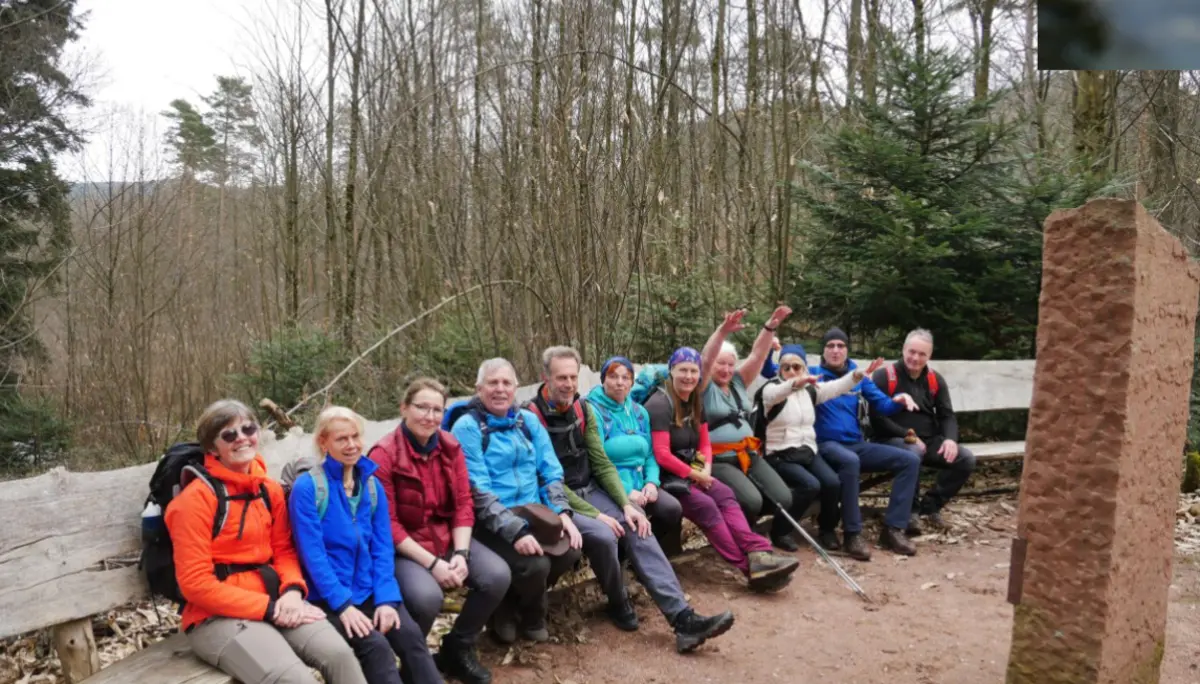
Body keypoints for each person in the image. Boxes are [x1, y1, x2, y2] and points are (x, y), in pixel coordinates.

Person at [530, 347, 735, 653]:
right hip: (555, 497)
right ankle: (617, 599)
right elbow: (547, 479)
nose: (569, 384)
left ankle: (682, 618)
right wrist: (596, 514)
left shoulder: (582, 409)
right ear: (546, 377)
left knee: (638, 524)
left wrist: (627, 505)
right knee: (605, 535)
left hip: (591, 488)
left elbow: (601, 463)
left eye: (573, 377)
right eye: (562, 378)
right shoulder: (532, 417)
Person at [165, 399, 366, 684]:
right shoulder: (194, 501)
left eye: (248, 429)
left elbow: (284, 550)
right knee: (293, 679)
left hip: (277, 600)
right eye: (229, 435)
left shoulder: (268, 490)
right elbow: (194, 583)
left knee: (340, 655)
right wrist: (268, 608)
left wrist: (293, 591)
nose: (242, 438)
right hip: (215, 616)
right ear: (212, 448)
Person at [368, 378, 510, 684]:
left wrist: (461, 553)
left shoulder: (449, 446)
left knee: (497, 576)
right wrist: (433, 564)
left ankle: (457, 648)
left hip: (446, 539)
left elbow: (463, 503)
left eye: (437, 410)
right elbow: (387, 524)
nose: (430, 416)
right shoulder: (383, 455)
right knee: (426, 597)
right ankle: (412, 664)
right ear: (404, 408)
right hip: (405, 549)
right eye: (422, 408)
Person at [289, 406, 442, 684]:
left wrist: (386, 599)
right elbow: (313, 557)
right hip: (328, 598)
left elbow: (382, 549)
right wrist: (343, 605)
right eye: (341, 439)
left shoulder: (372, 486)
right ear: (323, 442)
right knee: (376, 647)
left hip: (369, 589)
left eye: (355, 436)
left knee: (411, 639)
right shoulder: (308, 489)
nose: (352, 445)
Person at [449, 358, 583, 644]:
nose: (500, 389)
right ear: (479, 388)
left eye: (506, 383)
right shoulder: (467, 428)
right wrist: (516, 531)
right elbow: (479, 493)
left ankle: (509, 605)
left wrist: (562, 513)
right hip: (491, 520)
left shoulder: (528, 421)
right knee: (535, 564)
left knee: (571, 549)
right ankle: (532, 615)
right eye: (492, 383)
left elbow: (550, 471)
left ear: (516, 388)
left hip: (535, 512)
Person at [644, 346, 800, 591]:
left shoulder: (695, 400)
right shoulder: (660, 404)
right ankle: (748, 568)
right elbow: (661, 454)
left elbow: (704, 443)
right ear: (671, 370)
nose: (688, 376)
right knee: (706, 507)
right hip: (663, 478)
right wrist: (696, 474)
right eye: (682, 370)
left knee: (725, 494)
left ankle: (758, 551)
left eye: (693, 371)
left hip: (692, 471)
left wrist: (705, 469)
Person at [759, 344, 885, 551]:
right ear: (779, 369)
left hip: (807, 451)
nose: (791, 371)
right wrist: (795, 383)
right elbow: (776, 394)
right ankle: (781, 531)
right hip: (780, 454)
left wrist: (856, 375)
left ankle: (827, 529)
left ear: (804, 368)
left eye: (797, 367)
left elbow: (835, 387)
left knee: (833, 483)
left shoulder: (810, 390)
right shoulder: (771, 389)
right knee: (810, 485)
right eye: (786, 367)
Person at [812, 327, 922, 560]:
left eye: (840, 346)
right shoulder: (814, 375)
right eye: (830, 346)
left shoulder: (859, 376)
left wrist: (899, 400)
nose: (835, 350)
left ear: (847, 350)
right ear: (823, 351)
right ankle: (852, 534)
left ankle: (893, 529)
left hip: (855, 444)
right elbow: (777, 372)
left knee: (910, 460)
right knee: (850, 461)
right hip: (825, 445)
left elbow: (883, 405)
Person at [699, 307, 797, 548]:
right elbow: (706, 359)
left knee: (783, 498)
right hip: (717, 459)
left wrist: (769, 327)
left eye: (730, 364)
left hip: (747, 453)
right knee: (751, 501)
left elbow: (757, 357)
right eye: (721, 364)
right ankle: (743, 538)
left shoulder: (738, 381)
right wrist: (722, 332)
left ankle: (743, 528)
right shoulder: (703, 385)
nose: (726, 369)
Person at [869, 328, 977, 535]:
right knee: (913, 452)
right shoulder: (885, 376)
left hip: (929, 440)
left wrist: (950, 439)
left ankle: (930, 506)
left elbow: (947, 415)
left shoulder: (935, 380)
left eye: (922, 354)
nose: (915, 358)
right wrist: (908, 436)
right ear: (903, 349)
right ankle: (911, 512)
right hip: (892, 439)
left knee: (965, 459)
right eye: (912, 352)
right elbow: (877, 419)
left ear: (929, 356)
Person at [585, 356, 684, 555]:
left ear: (632, 382)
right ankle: (628, 559)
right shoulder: (593, 412)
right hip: (611, 487)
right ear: (603, 380)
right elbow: (597, 462)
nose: (619, 382)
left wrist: (652, 482)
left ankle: (654, 555)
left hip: (641, 484)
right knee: (636, 520)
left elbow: (649, 453)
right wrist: (627, 491)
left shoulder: (639, 412)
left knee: (672, 509)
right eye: (613, 376)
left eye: (625, 377)